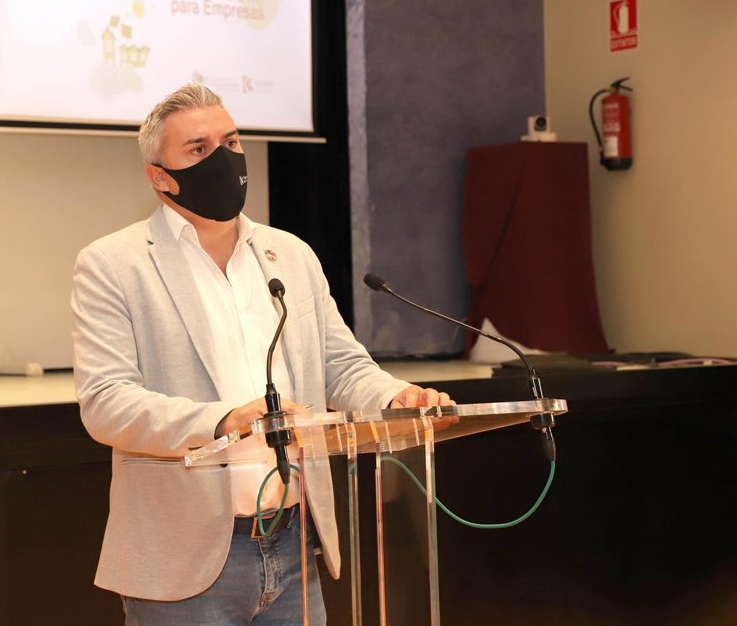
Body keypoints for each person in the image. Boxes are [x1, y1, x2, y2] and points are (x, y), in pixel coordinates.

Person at [71, 83, 453, 625]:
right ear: (159, 177)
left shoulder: (290, 255)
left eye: (231, 143)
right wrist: (226, 420)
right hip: (186, 558)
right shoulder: (114, 264)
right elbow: (107, 403)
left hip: (295, 545)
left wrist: (397, 397)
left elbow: (341, 366)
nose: (223, 159)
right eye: (198, 149)